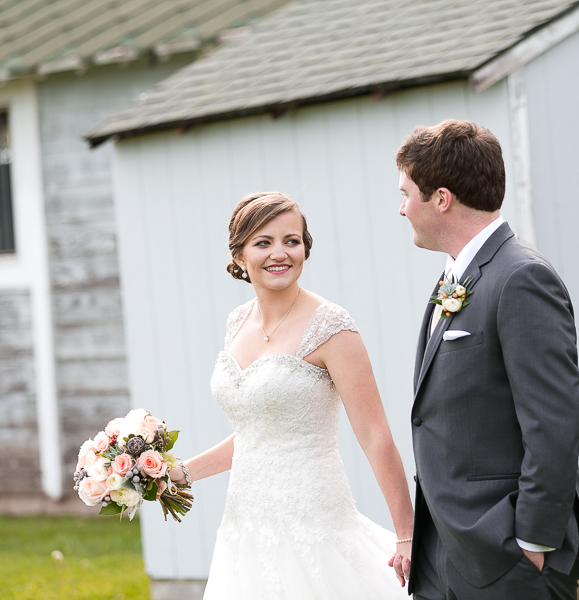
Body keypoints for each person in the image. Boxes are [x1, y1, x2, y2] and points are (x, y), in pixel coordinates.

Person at [389, 120, 579, 599]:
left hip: (505, 553)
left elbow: (554, 422)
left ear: (441, 198)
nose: (401, 209)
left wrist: (533, 539)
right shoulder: (457, 275)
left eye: (406, 194)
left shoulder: (522, 278)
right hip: (444, 552)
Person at [167, 192, 414, 599]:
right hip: (244, 527)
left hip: (314, 524)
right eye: (263, 242)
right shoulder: (236, 322)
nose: (279, 253)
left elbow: (374, 433)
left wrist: (405, 532)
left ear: (305, 248)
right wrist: (179, 473)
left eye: (291, 240)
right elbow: (256, 435)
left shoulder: (331, 326)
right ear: (240, 255)